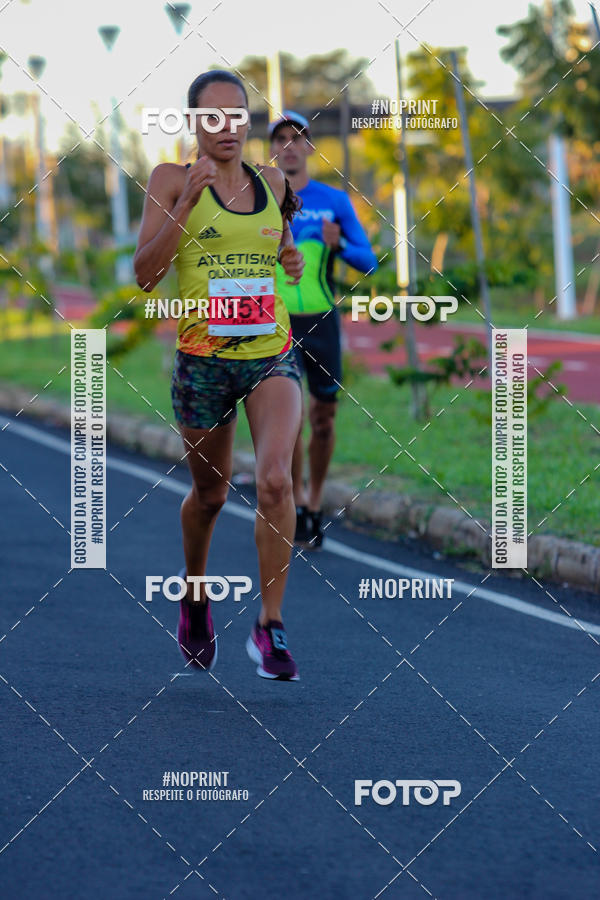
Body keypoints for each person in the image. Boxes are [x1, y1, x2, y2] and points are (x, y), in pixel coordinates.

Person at [134, 72, 305, 680]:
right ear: (194, 123)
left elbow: (281, 248)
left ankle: (269, 625)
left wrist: (290, 254)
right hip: (202, 363)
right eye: (213, 117)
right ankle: (196, 594)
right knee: (210, 494)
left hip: (269, 353)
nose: (227, 127)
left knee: (276, 481)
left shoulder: (273, 181)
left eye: (237, 115)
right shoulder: (171, 180)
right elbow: (145, 273)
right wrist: (184, 206)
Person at [269, 111, 378, 549]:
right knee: (291, 418)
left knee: (323, 418)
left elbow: (368, 261)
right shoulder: (258, 195)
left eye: (298, 138)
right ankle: (293, 505)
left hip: (321, 320)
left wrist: (340, 244)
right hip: (275, 323)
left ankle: (314, 502)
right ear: (273, 148)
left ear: (311, 147)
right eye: (281, 138)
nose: (290, 145)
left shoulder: (334, 200)